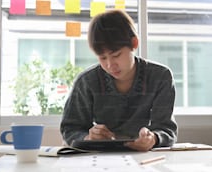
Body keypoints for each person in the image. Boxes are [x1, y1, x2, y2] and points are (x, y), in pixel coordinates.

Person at [60, 9, 178, 151]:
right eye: (102, 58)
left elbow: (167, 129)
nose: (110, 65)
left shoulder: (160, 77)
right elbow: (70, 128)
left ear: (134, 43)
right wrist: (88, 138)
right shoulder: (87, 82)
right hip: (99, 158)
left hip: (146, 157)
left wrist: (153, 138)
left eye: (116, 55)